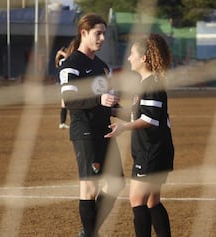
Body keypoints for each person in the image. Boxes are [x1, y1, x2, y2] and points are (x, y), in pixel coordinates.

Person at [57, 13, 125, 237]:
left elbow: (109, 105)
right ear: (84, 33)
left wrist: (136, 115)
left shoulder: (104, 67)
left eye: (104, 33)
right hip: (84, 132)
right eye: (98, 33)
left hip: (104, 130)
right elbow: (69, 100)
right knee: (90, 187)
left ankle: (89, 232)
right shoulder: (71, 64)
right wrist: (99, 100)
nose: (102, 38)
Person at [105, 33, 174, 237]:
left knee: (137, 200)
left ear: (144, 58)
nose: (129, 58)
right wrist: (114, 109)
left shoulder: (151, 83)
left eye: (132, 54)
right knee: (152, 201)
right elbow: (139, 114)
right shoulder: (148, 82)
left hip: (151, 151)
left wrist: (123, 128)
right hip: (155, 149)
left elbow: (150, 120)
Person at [55, 47, 70, 129]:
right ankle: (62, 123)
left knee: (64, 104)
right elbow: (68, 57)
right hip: (65, 85)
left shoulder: (63, 61)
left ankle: (62, 123)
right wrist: (59, 53)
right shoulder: (63, 61)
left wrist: (59, 53)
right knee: (66, 104)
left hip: (64, 85)